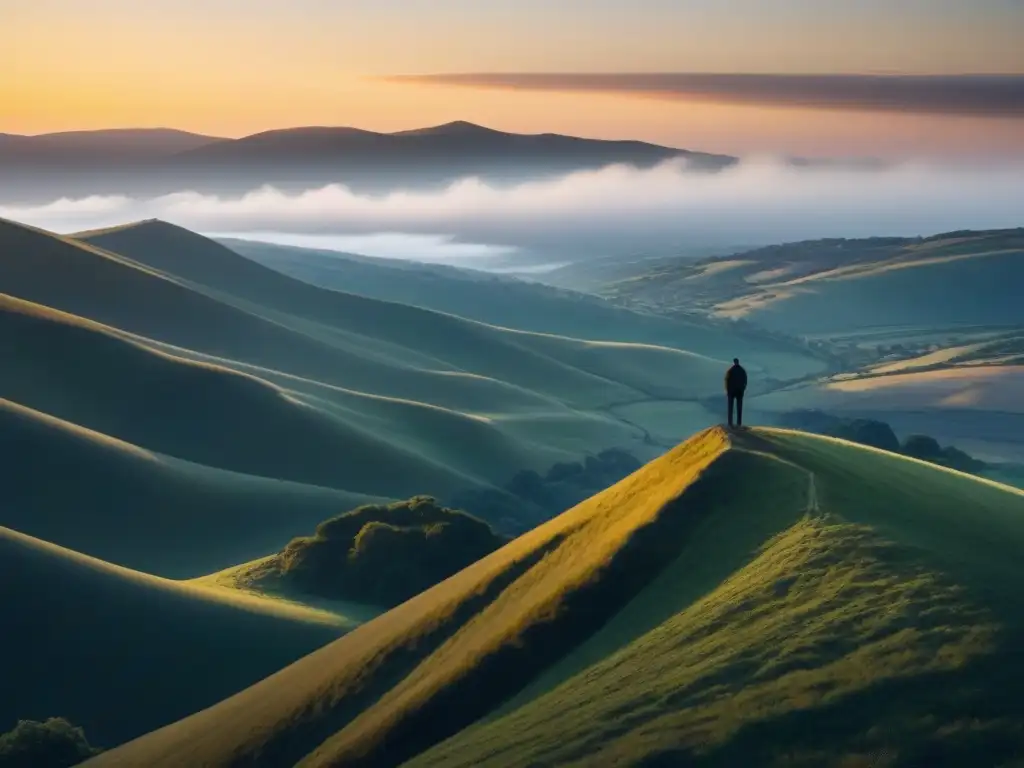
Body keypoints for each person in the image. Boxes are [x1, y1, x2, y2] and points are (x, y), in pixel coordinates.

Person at [725, 358, 747, 428]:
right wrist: (743, 389)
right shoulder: (742, 370)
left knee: (731, 408)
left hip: (732, 392)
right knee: (739, 408)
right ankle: (738, 423)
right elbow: (745, 381)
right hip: (739, 391)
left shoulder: (730, 370)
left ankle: (730, 423)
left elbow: (726, 381)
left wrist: (727, 390)